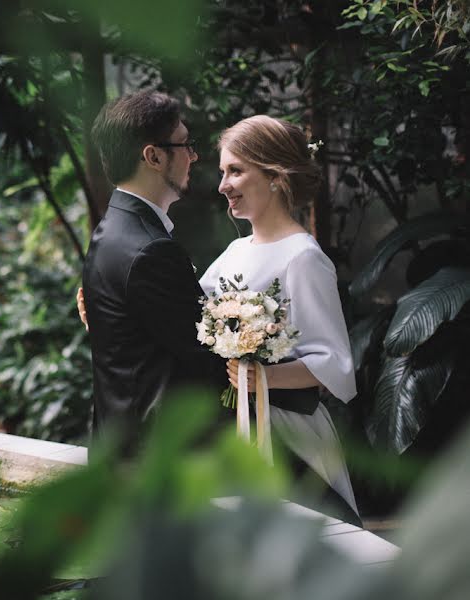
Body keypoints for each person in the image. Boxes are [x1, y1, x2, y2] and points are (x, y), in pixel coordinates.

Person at [78, 114, 360, 525]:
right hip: (238, 426)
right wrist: (112, 313)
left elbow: (334, 362)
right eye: (223, 171)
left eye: (236, 171)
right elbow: (190, 325)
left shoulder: (304, 258)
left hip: (282, 428)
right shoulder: (234, 252)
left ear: (276, 176)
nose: (222, 184)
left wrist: (259, 377)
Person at [81, 89, 226, 457]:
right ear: (154, 156)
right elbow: (204, 355)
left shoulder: (112, 229)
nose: (193, 156)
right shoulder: (150, 249)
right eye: (185, 145)